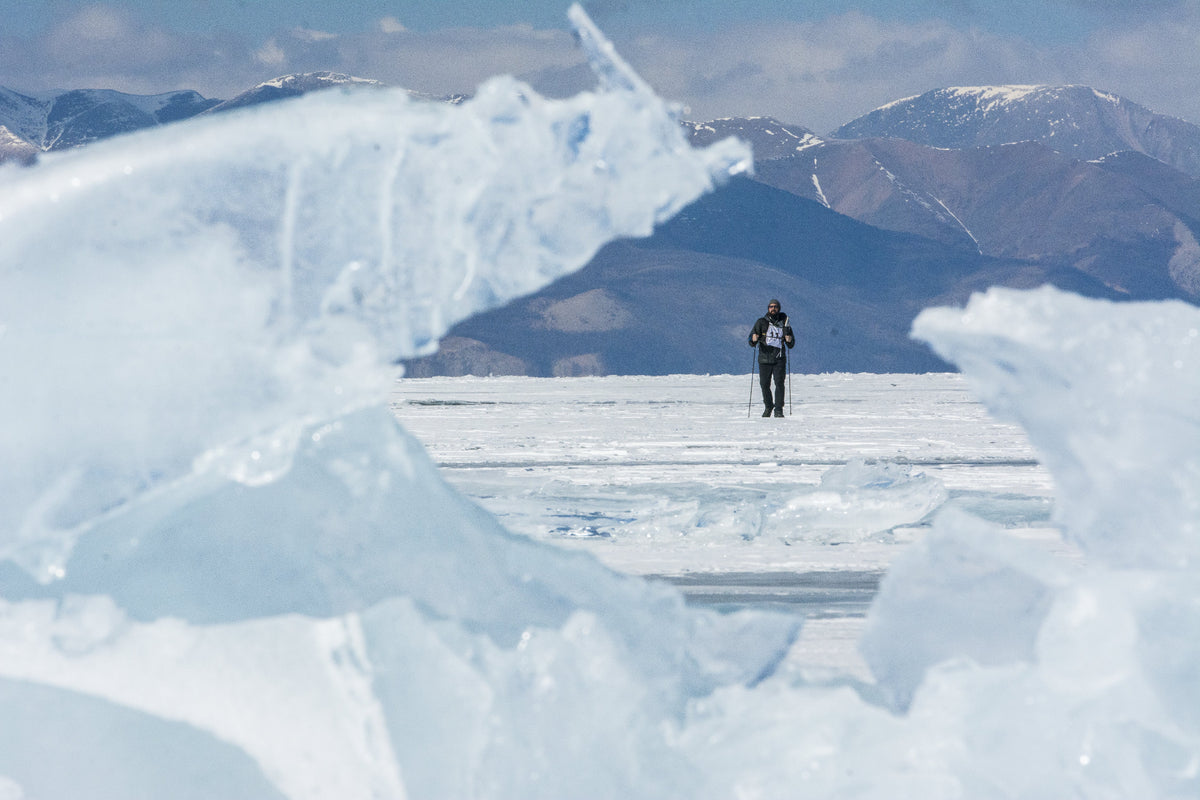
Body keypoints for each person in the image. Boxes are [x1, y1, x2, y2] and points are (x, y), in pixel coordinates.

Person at [748, 299, 794, 417]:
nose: (773, 309)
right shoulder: (761, 322)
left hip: (779, 359)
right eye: (771, 307)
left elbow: (791, 344)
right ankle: (768, 406)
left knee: (779, 383)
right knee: (764, 384)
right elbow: (751, 340)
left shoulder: (785, 323)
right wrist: (753, 339)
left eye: (775, 307)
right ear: (768, 308)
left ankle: (778, 409)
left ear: (779, 308)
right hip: (764, 358)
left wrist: (789, 339)